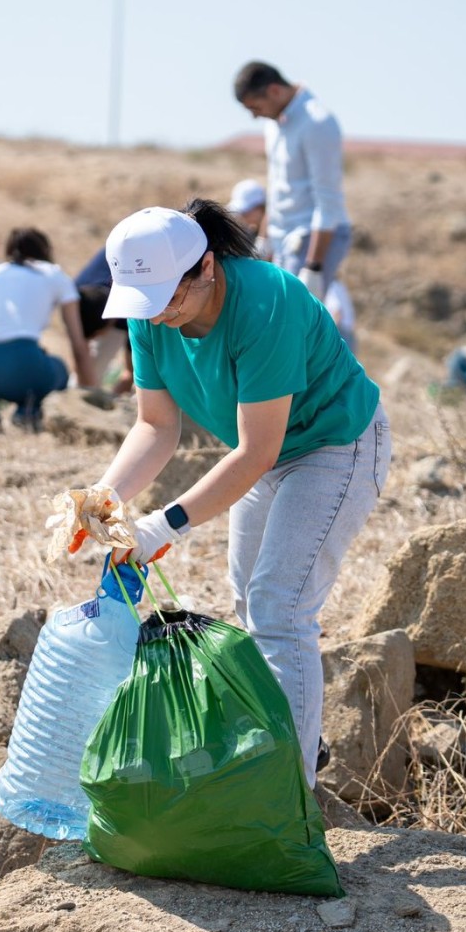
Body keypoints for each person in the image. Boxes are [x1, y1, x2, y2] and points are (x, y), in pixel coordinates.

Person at [64, 199, 390, 790]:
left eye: (169, 298)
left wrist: (162, 526)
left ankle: (289, 795)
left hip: (333, 445)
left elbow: (256, 452)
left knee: (280, 605)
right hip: (263, 456)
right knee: (248, 601)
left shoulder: (267, 302)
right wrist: (103, 495)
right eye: (144, 302)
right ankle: (283, 744)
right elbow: (156, 426)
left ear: (207, 267)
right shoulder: (150, 303)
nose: (156, 314)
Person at [234, 61, 350, 300]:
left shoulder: (317, 122)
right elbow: (276, 188)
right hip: (284, 237)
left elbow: (328, 200)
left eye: (256, 107)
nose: (255, 116)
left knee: (293, 324)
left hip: (311, 238)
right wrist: (265, 240)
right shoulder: (273, 125)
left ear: (275, 91)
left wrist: (314, 266)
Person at [0, 227, 94, 429]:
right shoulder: (55, 275)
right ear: (46, 251)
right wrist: (90, 393)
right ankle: (28, 411)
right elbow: (78, 342)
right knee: (59, 368)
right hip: (24, 368)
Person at [74, 246, 134, 393]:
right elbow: (80, 348)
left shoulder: (131, 312)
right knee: (90, 367)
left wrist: (128, 376)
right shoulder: (77, 292)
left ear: (111, 321)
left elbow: (132, 369)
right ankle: (81, 390)